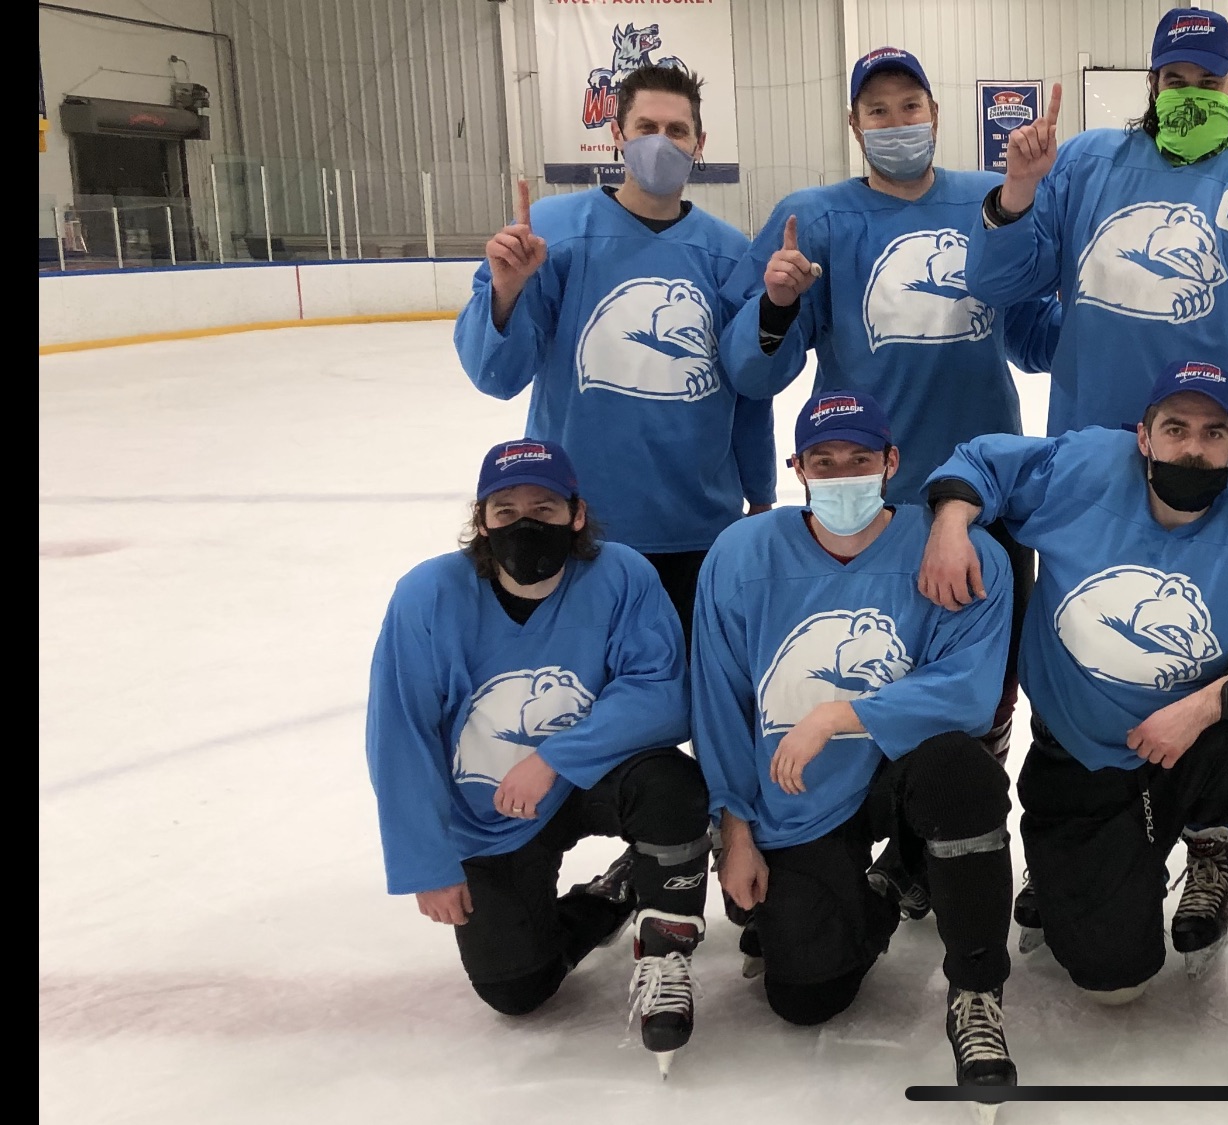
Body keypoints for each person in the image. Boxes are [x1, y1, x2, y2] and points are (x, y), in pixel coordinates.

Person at [916, 361, 1228, 1078]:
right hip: (1084, 757)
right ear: (1144, 437)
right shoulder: (1085, 468)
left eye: (1213, 433)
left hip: (1199, 741)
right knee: (1113, 983)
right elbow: (980, 461)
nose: (1194, 447)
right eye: (1176, 429)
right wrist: (950, 522)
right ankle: (1104, 865)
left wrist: (1202, 707)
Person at [719, 44, 1061, 918]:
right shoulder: (814, 218)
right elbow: (754, 371)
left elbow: (1033, 339)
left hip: (983, 499)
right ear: (854, 124)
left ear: (936, 114)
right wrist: (777, 303)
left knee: (979, 691)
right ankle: (848, 833)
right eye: (878, 110)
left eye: (911, 106)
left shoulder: (989, 199)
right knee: (870, 667)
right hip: (864, 502)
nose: (897, 122)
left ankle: (939, 847)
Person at [690, 392, 1020, 1094]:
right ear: (798, 469)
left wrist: (837, 715)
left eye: (860, 459)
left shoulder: (956, 552)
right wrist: (735, 828)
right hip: (797, 791)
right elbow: (719, 704)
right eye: (824, 462)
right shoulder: (741, 555)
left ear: (892, 462)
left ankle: (976, 987)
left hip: (902, 773)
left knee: (962, 772)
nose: (843, 475)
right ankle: (885, 884)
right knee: (805, 995)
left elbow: (967, 691)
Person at [364, 439, 711, 1075]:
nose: (524, 523)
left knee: (672, 786)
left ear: (576, 515)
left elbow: (663, 693)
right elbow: (400, 733)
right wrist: (427, 862)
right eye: (506, 511)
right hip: (490, 811)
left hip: (591, 778)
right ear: (482, 521)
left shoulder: (622, 574)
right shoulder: (427, 596)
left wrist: (554, 758)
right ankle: (612, 897)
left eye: (543, 509)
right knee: (515, 988)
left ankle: (668, 947)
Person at [968, 7, 1228, 493]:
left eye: (1208, 82)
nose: (1192, 94)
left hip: (1212, 462)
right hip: (1086, 455)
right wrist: (1017, 190)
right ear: (1153, 84)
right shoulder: (1086, 165)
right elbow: (997, 284)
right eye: (1175, 80)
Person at [456, 64, 771, 626]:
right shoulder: (552, 234)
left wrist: (760, 492)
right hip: (577, 526)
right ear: (617, 135)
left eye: (677, 130)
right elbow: (496, 375)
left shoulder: (728, 252)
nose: (661, 142)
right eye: (646, 127)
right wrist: (507, 290)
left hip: (698, 527)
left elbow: (747, 388)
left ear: (699, 143)